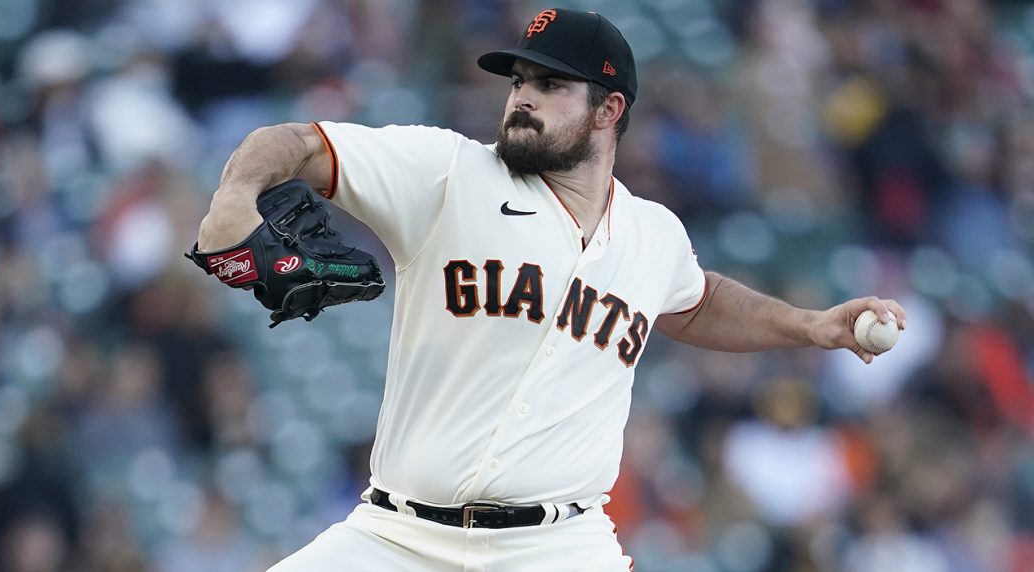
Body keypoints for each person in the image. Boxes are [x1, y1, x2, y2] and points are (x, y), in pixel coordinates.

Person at [196, 8, 906, 571]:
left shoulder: (652, 234)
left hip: (557, 549)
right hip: (396, 539)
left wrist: (813, 326)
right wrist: (236, 191)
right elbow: (297, 142)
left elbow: (699, 301)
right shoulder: (448, 174)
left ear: (608, 110)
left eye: (549, 85)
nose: (522, 99)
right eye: (518, 83)